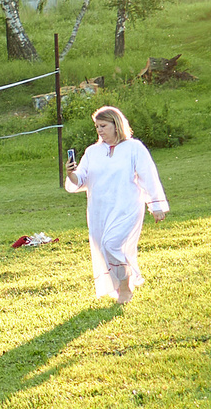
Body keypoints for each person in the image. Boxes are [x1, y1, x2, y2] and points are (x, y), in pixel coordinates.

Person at [64, 104, 168, 304]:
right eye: (97, 127)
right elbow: (81, 180)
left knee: (110, 244)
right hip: (99, 210)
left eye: (103, 125)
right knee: (104, 248)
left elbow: (148, 176)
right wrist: (71, 174)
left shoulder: (133, 148)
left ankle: (125, 286)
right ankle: (122, 284)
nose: (100, 130)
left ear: (116, 124)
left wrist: (155, 206)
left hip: (127, 207)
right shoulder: (92, 152)